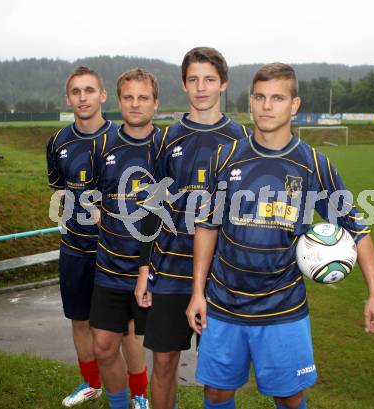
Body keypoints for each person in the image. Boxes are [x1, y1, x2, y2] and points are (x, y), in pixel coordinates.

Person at [186, 62, 374, 409]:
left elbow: (357, 228)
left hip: (283, 308)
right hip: (223, 304)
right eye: (260, 97)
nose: (267, 106)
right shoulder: (225, 158)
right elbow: (207, 227)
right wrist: (196, 293)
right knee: (217, 392)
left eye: (277, 98)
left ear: (294, 104)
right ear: (250, 101)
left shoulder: (313, 164)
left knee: (290, 397)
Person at [135, 47, 250, 409]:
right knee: (164, 362)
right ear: (184, 85)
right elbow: (150, 209)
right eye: (193, 79)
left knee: (216, 374)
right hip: (169, 271)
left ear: (224, 84)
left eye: (209, 79)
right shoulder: (164, 139)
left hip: (220, 277)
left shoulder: (242, 139)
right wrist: (143, 270)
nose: (201, 87)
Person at [89, 68, 160, 409]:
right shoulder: (103, 147)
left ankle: (142, 398)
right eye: (128, 97)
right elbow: (94, 198)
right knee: (103, 345)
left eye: (143, 97)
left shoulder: (167, 149)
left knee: (161, 354)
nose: (135, 104)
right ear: (118, 101)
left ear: (155, 102)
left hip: (155, 272)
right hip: (110, 268)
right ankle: (121, 405)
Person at [46, 66, 117, 406]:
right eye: (76, 91)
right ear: (69, 98)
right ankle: (91, 384)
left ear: (102, 95)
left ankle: (137, 391)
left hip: (116, 253)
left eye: (90, 90)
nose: (83, 97)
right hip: (74, 248)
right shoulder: (58, 142)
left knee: (124, 327)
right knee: (80, 320)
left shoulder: (121, 139)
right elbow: (61, 191)